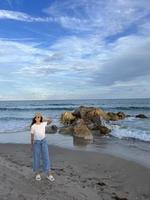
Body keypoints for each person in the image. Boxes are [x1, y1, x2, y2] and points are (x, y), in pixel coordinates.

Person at [30, 112, 55, 182]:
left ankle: (49, 174)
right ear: (34, 118)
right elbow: (32, 137)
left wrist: (43, 118)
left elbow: (50, 120)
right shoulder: (33, 126)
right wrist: (31, 145)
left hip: (44, 142)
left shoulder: (43, 124)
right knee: (36, 158)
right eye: (36, 117)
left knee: (46, 157)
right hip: (36, 143)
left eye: (39, 117)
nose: (38, 118)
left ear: (40, 118)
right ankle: (37, 174)